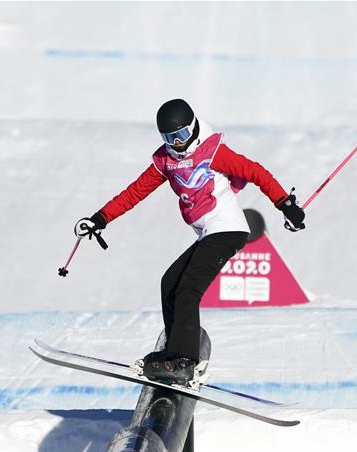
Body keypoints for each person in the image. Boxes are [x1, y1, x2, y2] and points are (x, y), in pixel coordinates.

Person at [74, 98, 306, 385]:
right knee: (170, 283)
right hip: (209, 232)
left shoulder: (212, 151)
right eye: (169, 138)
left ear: (194, 127)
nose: (178, 144)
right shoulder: (166, 161)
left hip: (227, 229)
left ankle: (184, 361)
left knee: (188, 289)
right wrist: (101, 218)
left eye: (182, 135)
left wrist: (285, 204)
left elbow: (255, 171)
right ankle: (174, 353)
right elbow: (135, 192)